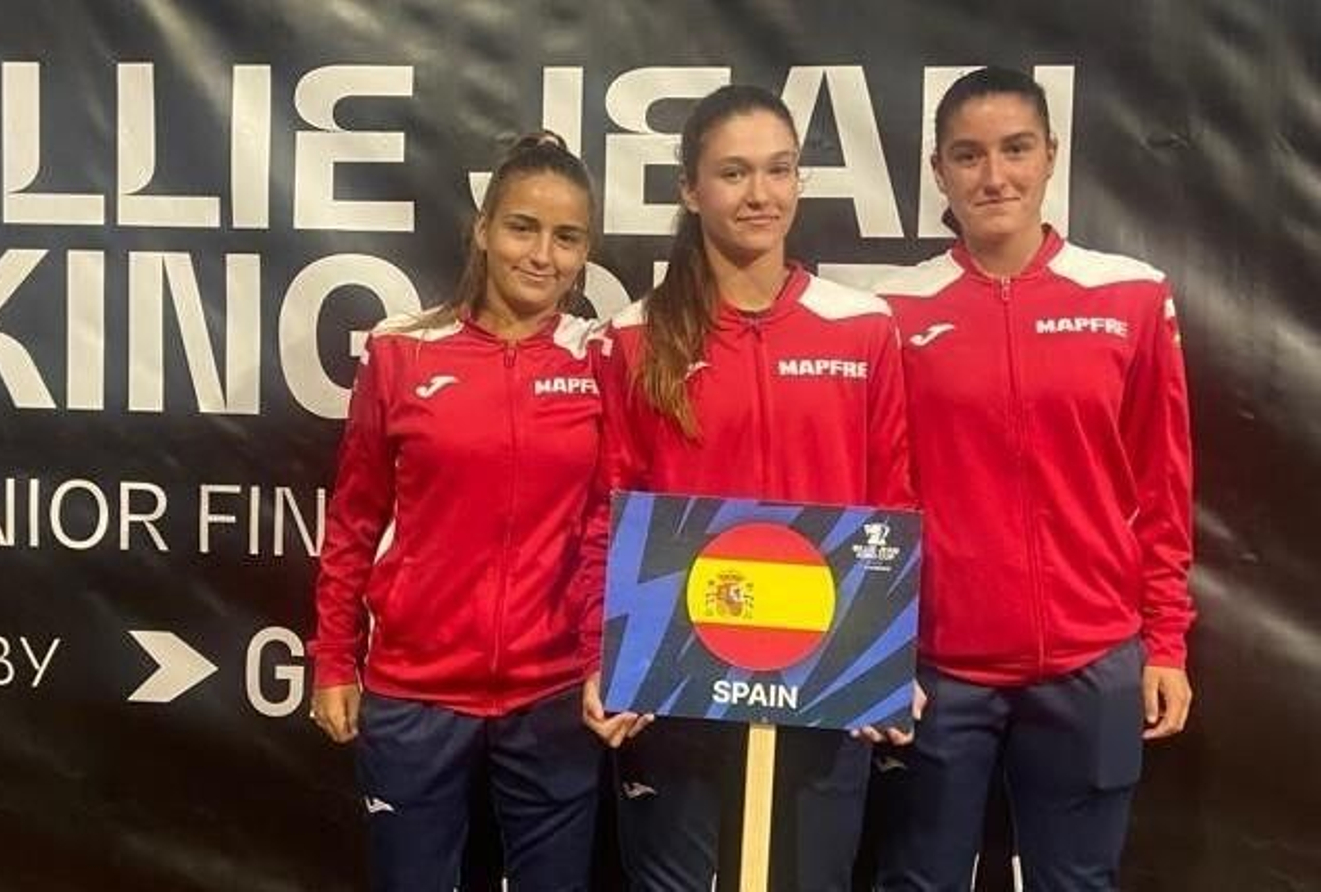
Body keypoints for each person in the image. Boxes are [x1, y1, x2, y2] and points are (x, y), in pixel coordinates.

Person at [578, 84, 914, 891]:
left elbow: (891, 504)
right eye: (733, 173)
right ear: (691, 190)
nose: (759, 194)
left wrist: (884, 657)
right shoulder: (633, 335)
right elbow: (606, 512)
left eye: (778, 170)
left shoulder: (863, 327)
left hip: (825, 679)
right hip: (673, 683)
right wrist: (605, 655)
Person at [874, 66, 1195, 891]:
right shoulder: (894, 311)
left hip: (1093, 660)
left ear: (1052, 155)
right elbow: (880, 495)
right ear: (939, 171)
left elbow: (1162, 484)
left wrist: (1164, 641)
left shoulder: (1130, 296)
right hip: (940, 669)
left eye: (1016, 149)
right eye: (969, 155)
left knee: (1078, 883)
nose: (995, 176)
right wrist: (877, 653)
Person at [307, 132, 606, 892]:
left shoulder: (605, 359)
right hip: (415, 688)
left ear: (586, 249)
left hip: (554, 693)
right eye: (522, 227)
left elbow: (613, 522)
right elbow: (354, 519)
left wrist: (608, 655)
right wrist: (335, 659)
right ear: (481, 228)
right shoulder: (401, 351)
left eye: (566, 237)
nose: (542, 255)